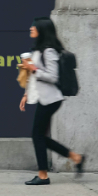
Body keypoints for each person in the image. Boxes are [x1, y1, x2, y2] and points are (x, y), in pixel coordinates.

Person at [19, 17, 85, 185]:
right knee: (40, 136)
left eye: (34, 27)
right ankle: (76, 157)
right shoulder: (39, 49)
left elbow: (52, 76)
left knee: (37, 135)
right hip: (45, 98)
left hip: (51, 99)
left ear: (42, 30)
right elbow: (35, 78)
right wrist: (26, 94)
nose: (30, 28)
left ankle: (43, 176)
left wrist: (33, 68)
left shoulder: (49, 51)